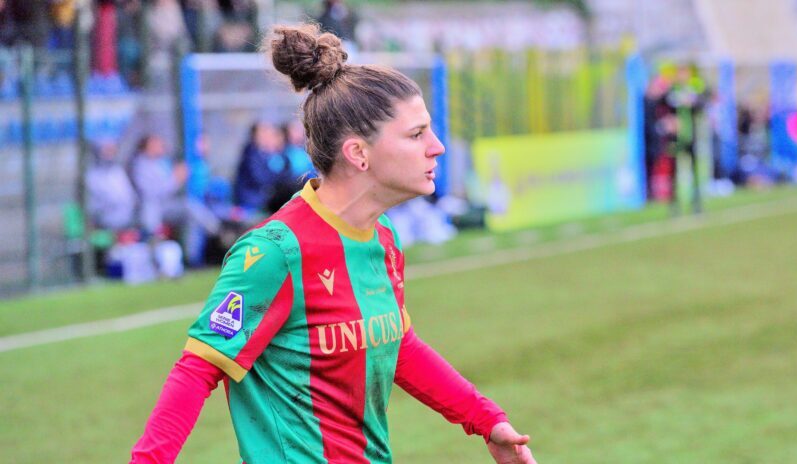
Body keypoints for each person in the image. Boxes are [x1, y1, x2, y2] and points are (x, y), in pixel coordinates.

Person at [130, 23, 536, 464]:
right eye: (416, 134)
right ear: (358, 153)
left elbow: (399, 346)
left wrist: (486, 419)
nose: (436, 147)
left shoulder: (383, 238)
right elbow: (197, 370)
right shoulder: (276, 252)